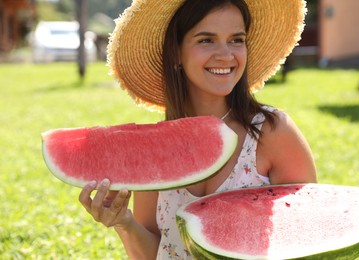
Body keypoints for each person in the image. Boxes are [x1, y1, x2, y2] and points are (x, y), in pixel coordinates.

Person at [79, 0, 317, 259]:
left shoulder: (272, 132)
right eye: (206, 40)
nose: (226, 55)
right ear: (176, 53)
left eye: (236, 40)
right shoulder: (154, 148)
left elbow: (309, 234)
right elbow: (155, 253)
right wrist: (123, 223)